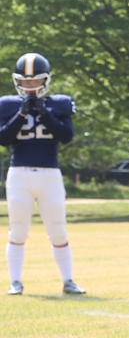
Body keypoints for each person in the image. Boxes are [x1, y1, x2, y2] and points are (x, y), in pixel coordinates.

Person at [0, 53, 86, 296]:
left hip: (50, 173)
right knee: (18, 229)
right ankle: (15, 282)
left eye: (35, 81)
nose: (30, 86)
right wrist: (22, 114)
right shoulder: (7, 104)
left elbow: (66, 136)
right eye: (25, 82)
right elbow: (4, 138)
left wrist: (44, 113)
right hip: (19, 173)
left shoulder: (59, 103)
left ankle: (68, 280)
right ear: (17, 81)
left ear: (46, 80)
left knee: (58, 229)